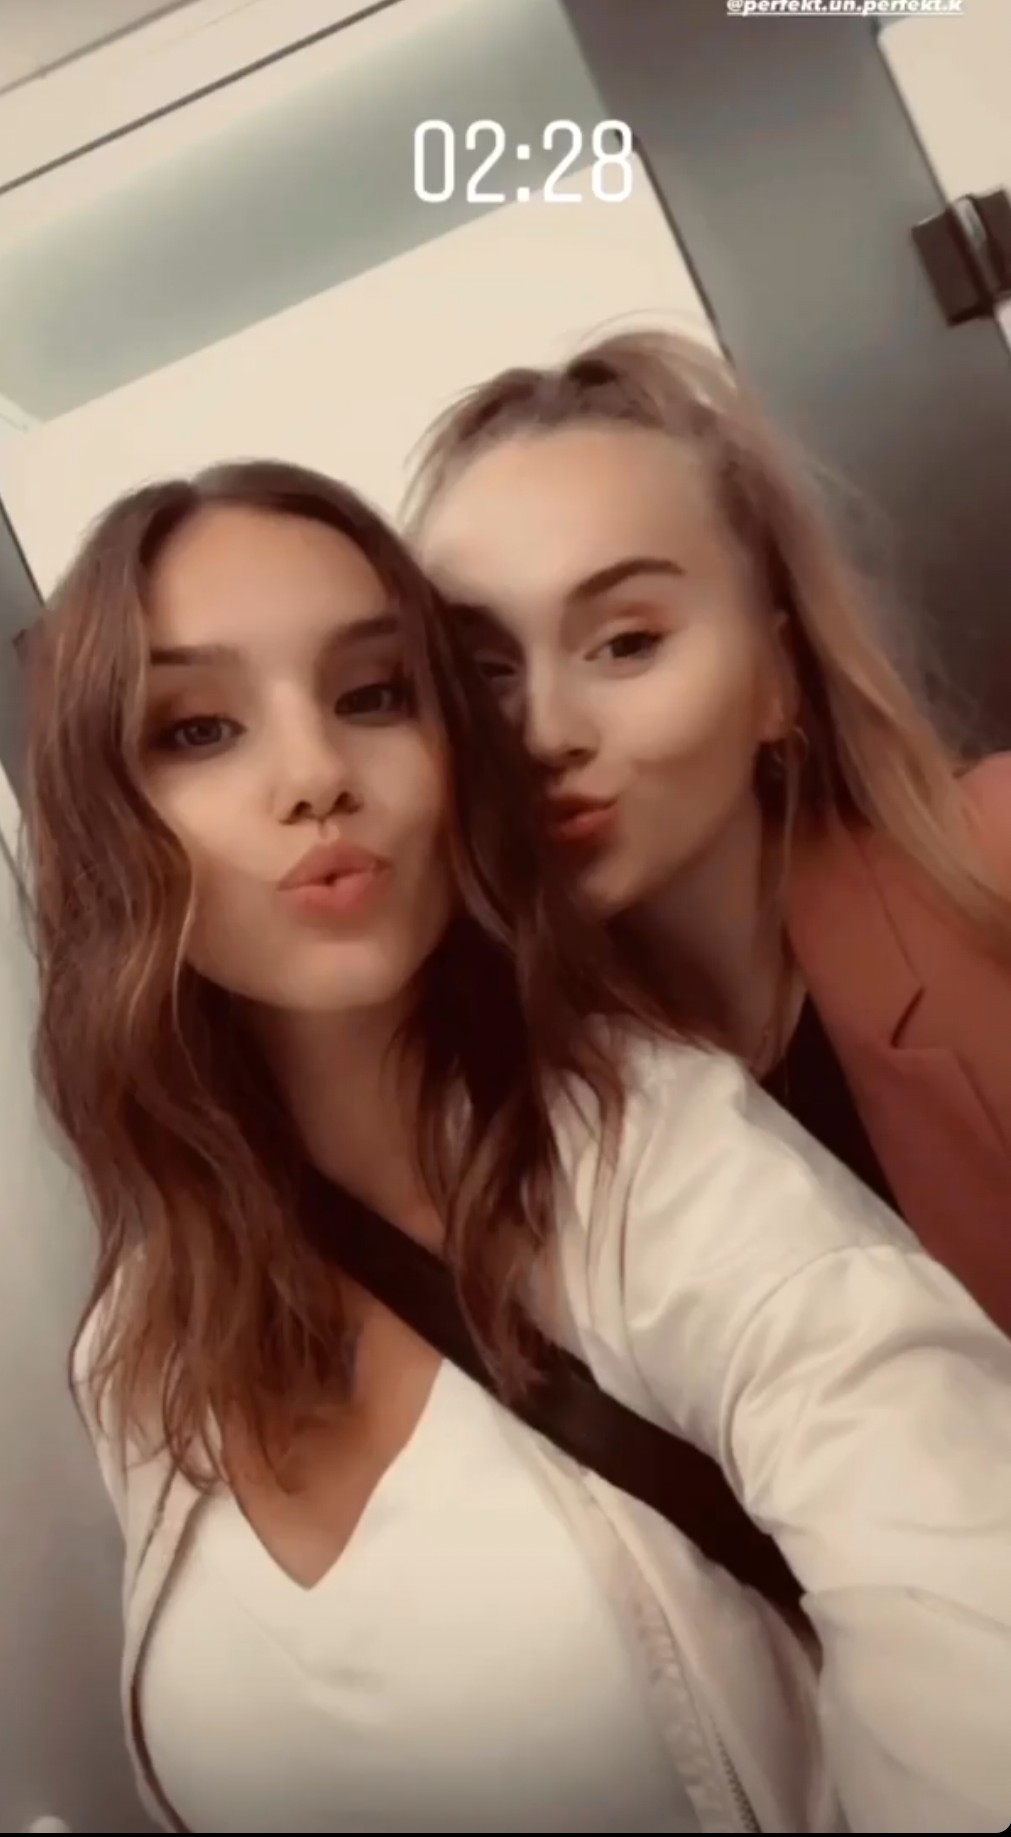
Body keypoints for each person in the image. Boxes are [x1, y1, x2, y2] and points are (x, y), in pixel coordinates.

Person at [23, 459, 1011, 1836]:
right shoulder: (141, 1336)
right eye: (197, 728)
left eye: (374, 696)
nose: (314, 776)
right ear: (99, 817)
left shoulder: (660, 1161)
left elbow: (963, 1602)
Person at [409, 329, 1011, 1335]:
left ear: (779, 676)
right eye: (485, 671)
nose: (545, 733)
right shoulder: (504, 1112)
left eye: (625, 643)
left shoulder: (992, 860)